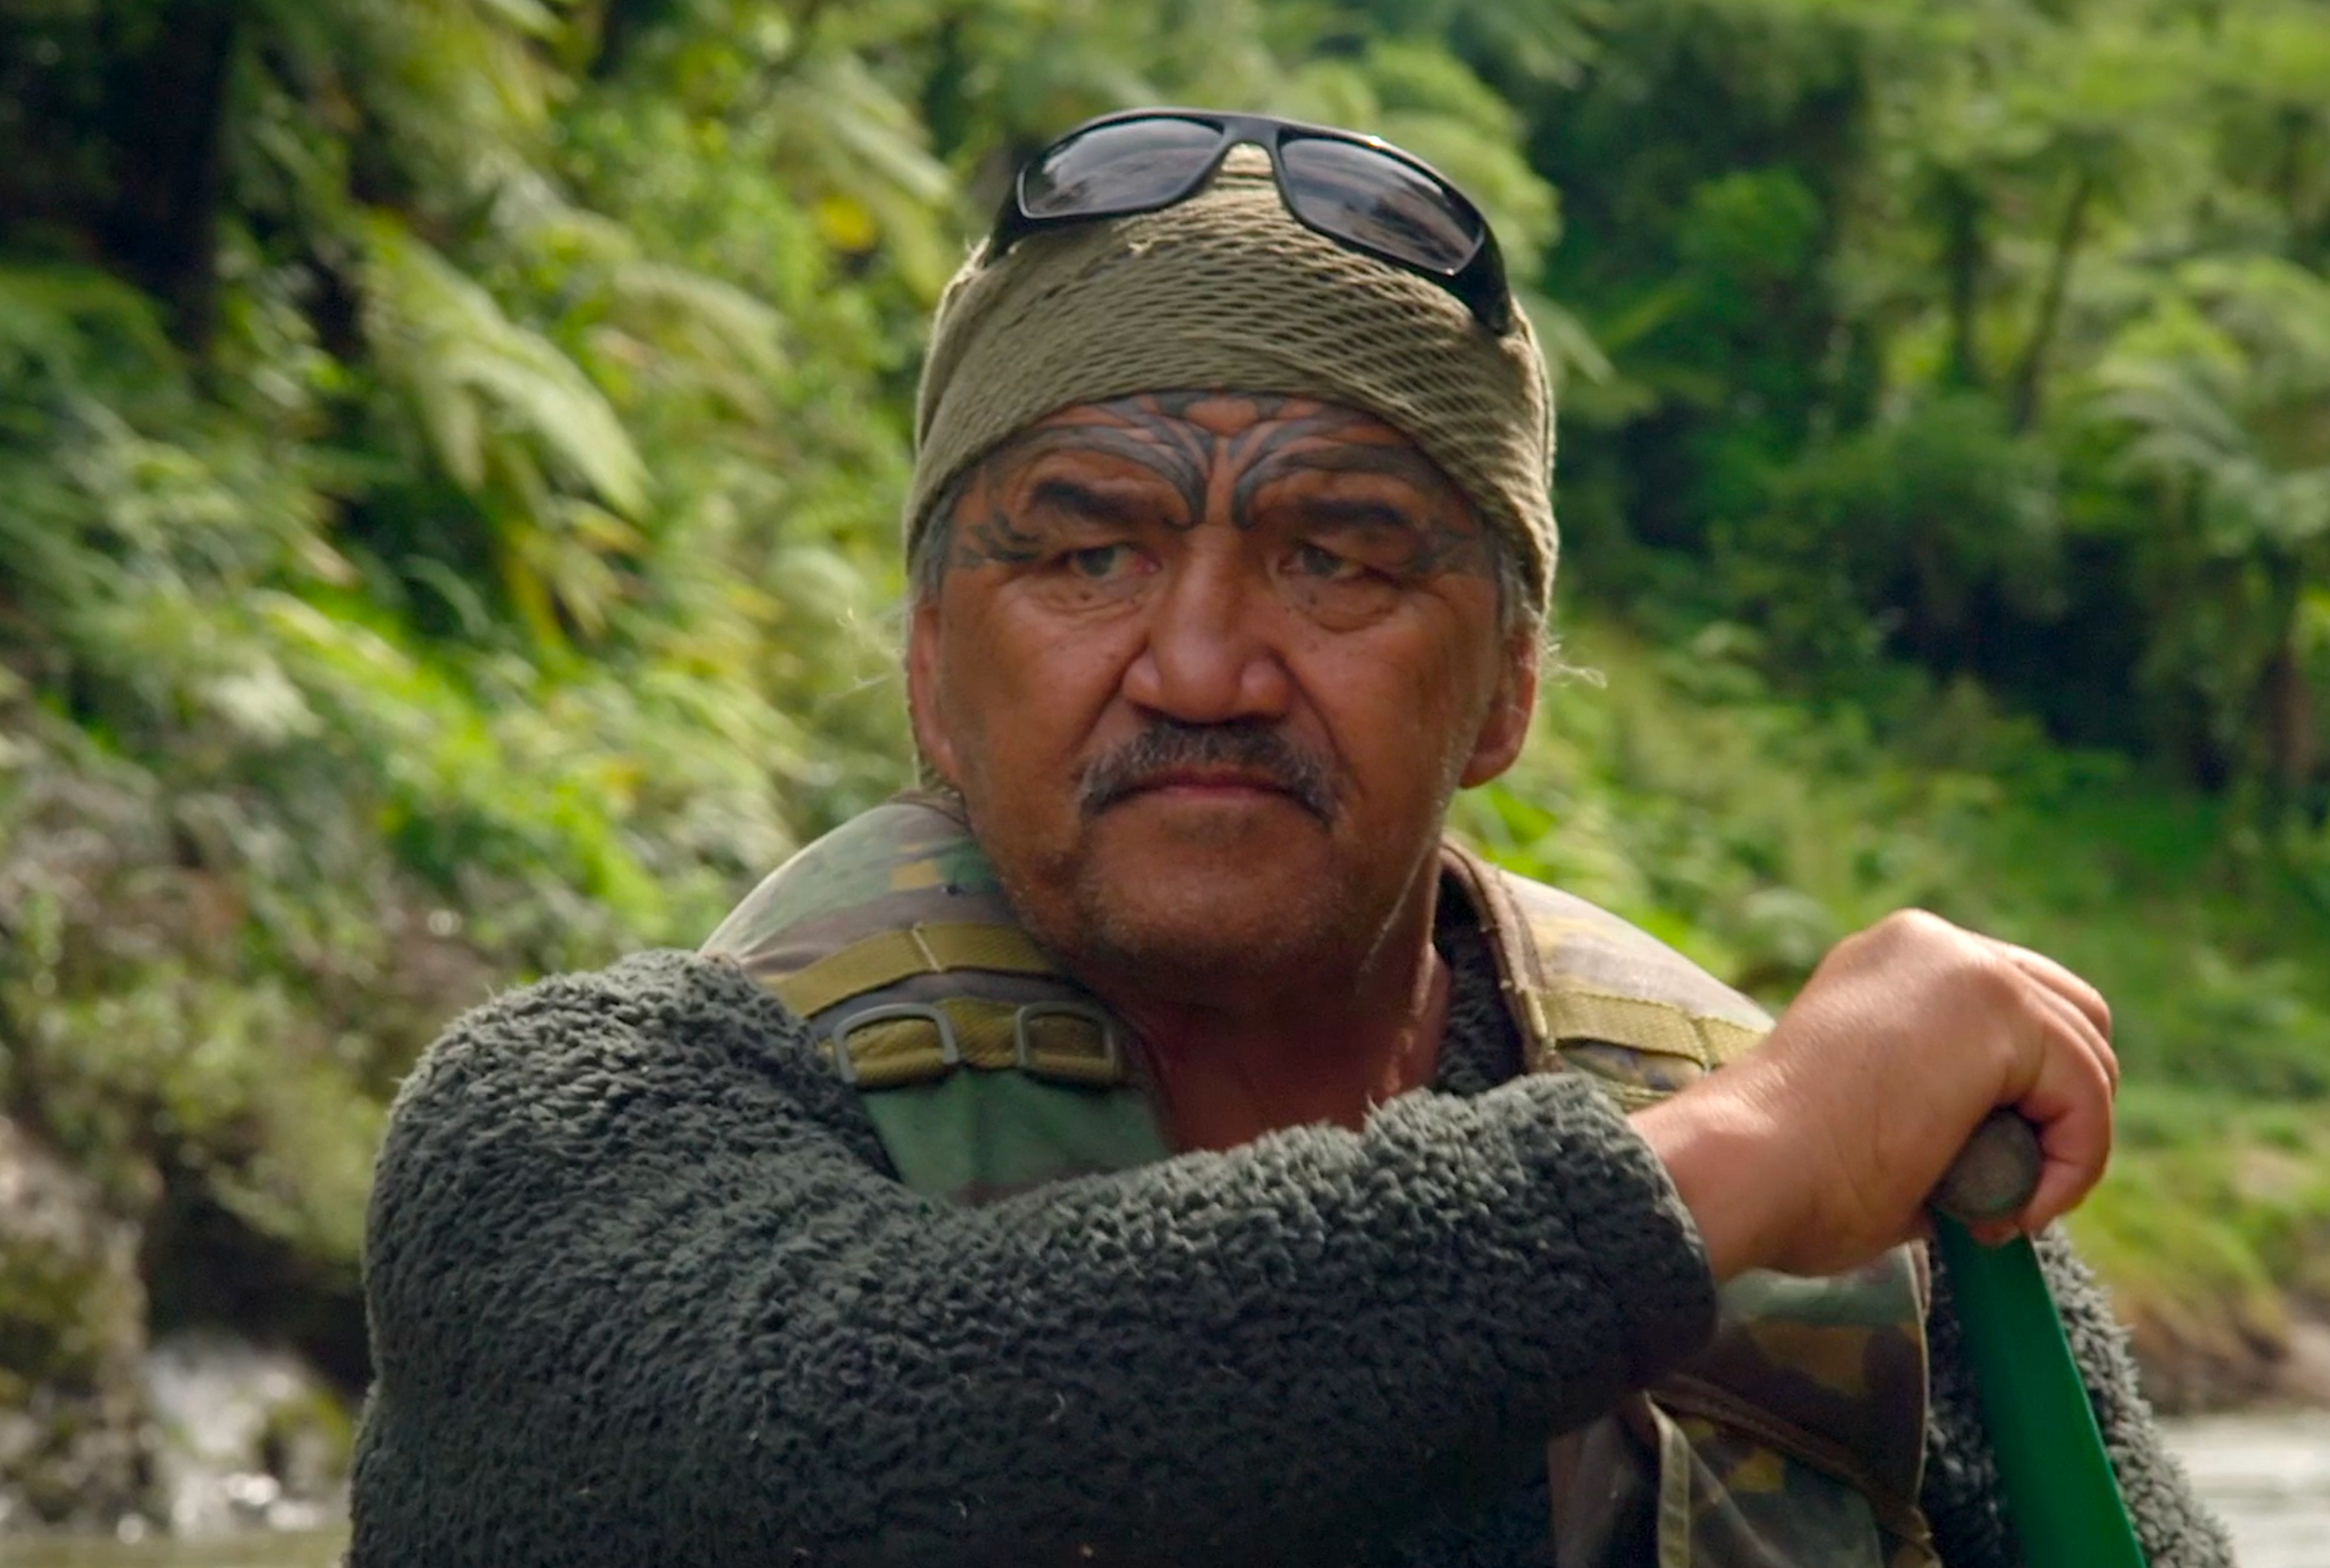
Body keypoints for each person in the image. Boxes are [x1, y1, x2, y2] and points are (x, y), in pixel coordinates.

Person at [346, 110, 2232, 1567]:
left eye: (1335, 557)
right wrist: (1725, 1166)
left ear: (1502, 688)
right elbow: (842, 1447)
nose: (1201, 663)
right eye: (1085, 550)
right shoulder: (576, 1140)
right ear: (933, 673)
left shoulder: (1881, 1244)